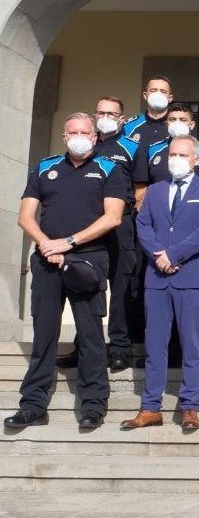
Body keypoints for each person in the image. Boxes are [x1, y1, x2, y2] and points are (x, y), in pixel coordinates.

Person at [4, 113, 124, 431]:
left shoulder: (109, 169)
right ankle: (33, 405)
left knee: (90, 336)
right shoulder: (45, 167)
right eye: (74, 132)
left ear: (96, 137)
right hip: (47, 263)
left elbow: (112, 217)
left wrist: (67, 243)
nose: (81, 137)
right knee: (44, 334)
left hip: (88, 261)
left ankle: (94, 406)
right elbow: (26, 216)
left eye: (87, 132)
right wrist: (47, 245)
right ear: (64, 136)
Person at [121, 136, 199, 432]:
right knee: (155, 344)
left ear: (196, 159)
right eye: (172, 154)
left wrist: (174, 254)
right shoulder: (154, 191)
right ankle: (150, 407)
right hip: (158, 277)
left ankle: (190, 406)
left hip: (191, 277)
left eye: (183, 154)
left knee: (191, 345)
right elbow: (144, 225)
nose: (176, 159)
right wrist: (159, 256)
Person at [91, 96, 140, 371]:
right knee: (87, 286)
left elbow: (141, 191)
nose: (106, 117)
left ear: (122, 118)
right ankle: (83, 345)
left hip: (122, 226)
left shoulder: (132, 148)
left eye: (112, 113)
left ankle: (120, 347)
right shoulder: (87, 145)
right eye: (101, 112)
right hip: (88, 227)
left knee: (121, 287)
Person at [134, 103, 199, 187]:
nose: (177, 123)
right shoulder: (152, 150)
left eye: (183, 120)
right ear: (166, 124)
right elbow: (142, 188)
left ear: (192, 125)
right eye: (172, 119)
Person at [122, 75, 174, 145]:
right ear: (145, 95)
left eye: (163, 91)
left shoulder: (177, 126)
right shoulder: (129, 126)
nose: (158, 94)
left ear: (170, 98)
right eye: (153, 91)